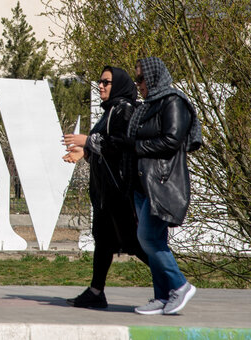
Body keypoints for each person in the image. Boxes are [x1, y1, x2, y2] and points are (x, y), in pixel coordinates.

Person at [106, 57, 198, 315]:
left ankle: (179, 285)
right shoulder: (147, 106)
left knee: (147, 237)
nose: (139, 85)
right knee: (154, 240)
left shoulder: (173, 101)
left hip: (162, 183)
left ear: (154, 77)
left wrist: (135, 146)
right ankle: (162, 296)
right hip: (142, 185)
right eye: (136, 80)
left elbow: (172, 140)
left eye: (141, 79)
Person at [62, 66, 149, 309]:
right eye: (100, 81)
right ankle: (96, 292)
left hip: (119, 192)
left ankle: (174, 284)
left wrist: (87, 141)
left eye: (106, 82)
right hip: (104, 193)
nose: (100, 86)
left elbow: (122, 144)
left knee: (133, 242)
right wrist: (84, 152)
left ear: (118, 85)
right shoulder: (109, 111)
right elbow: (104, 149)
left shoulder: (124, 109)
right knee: (103, 240)